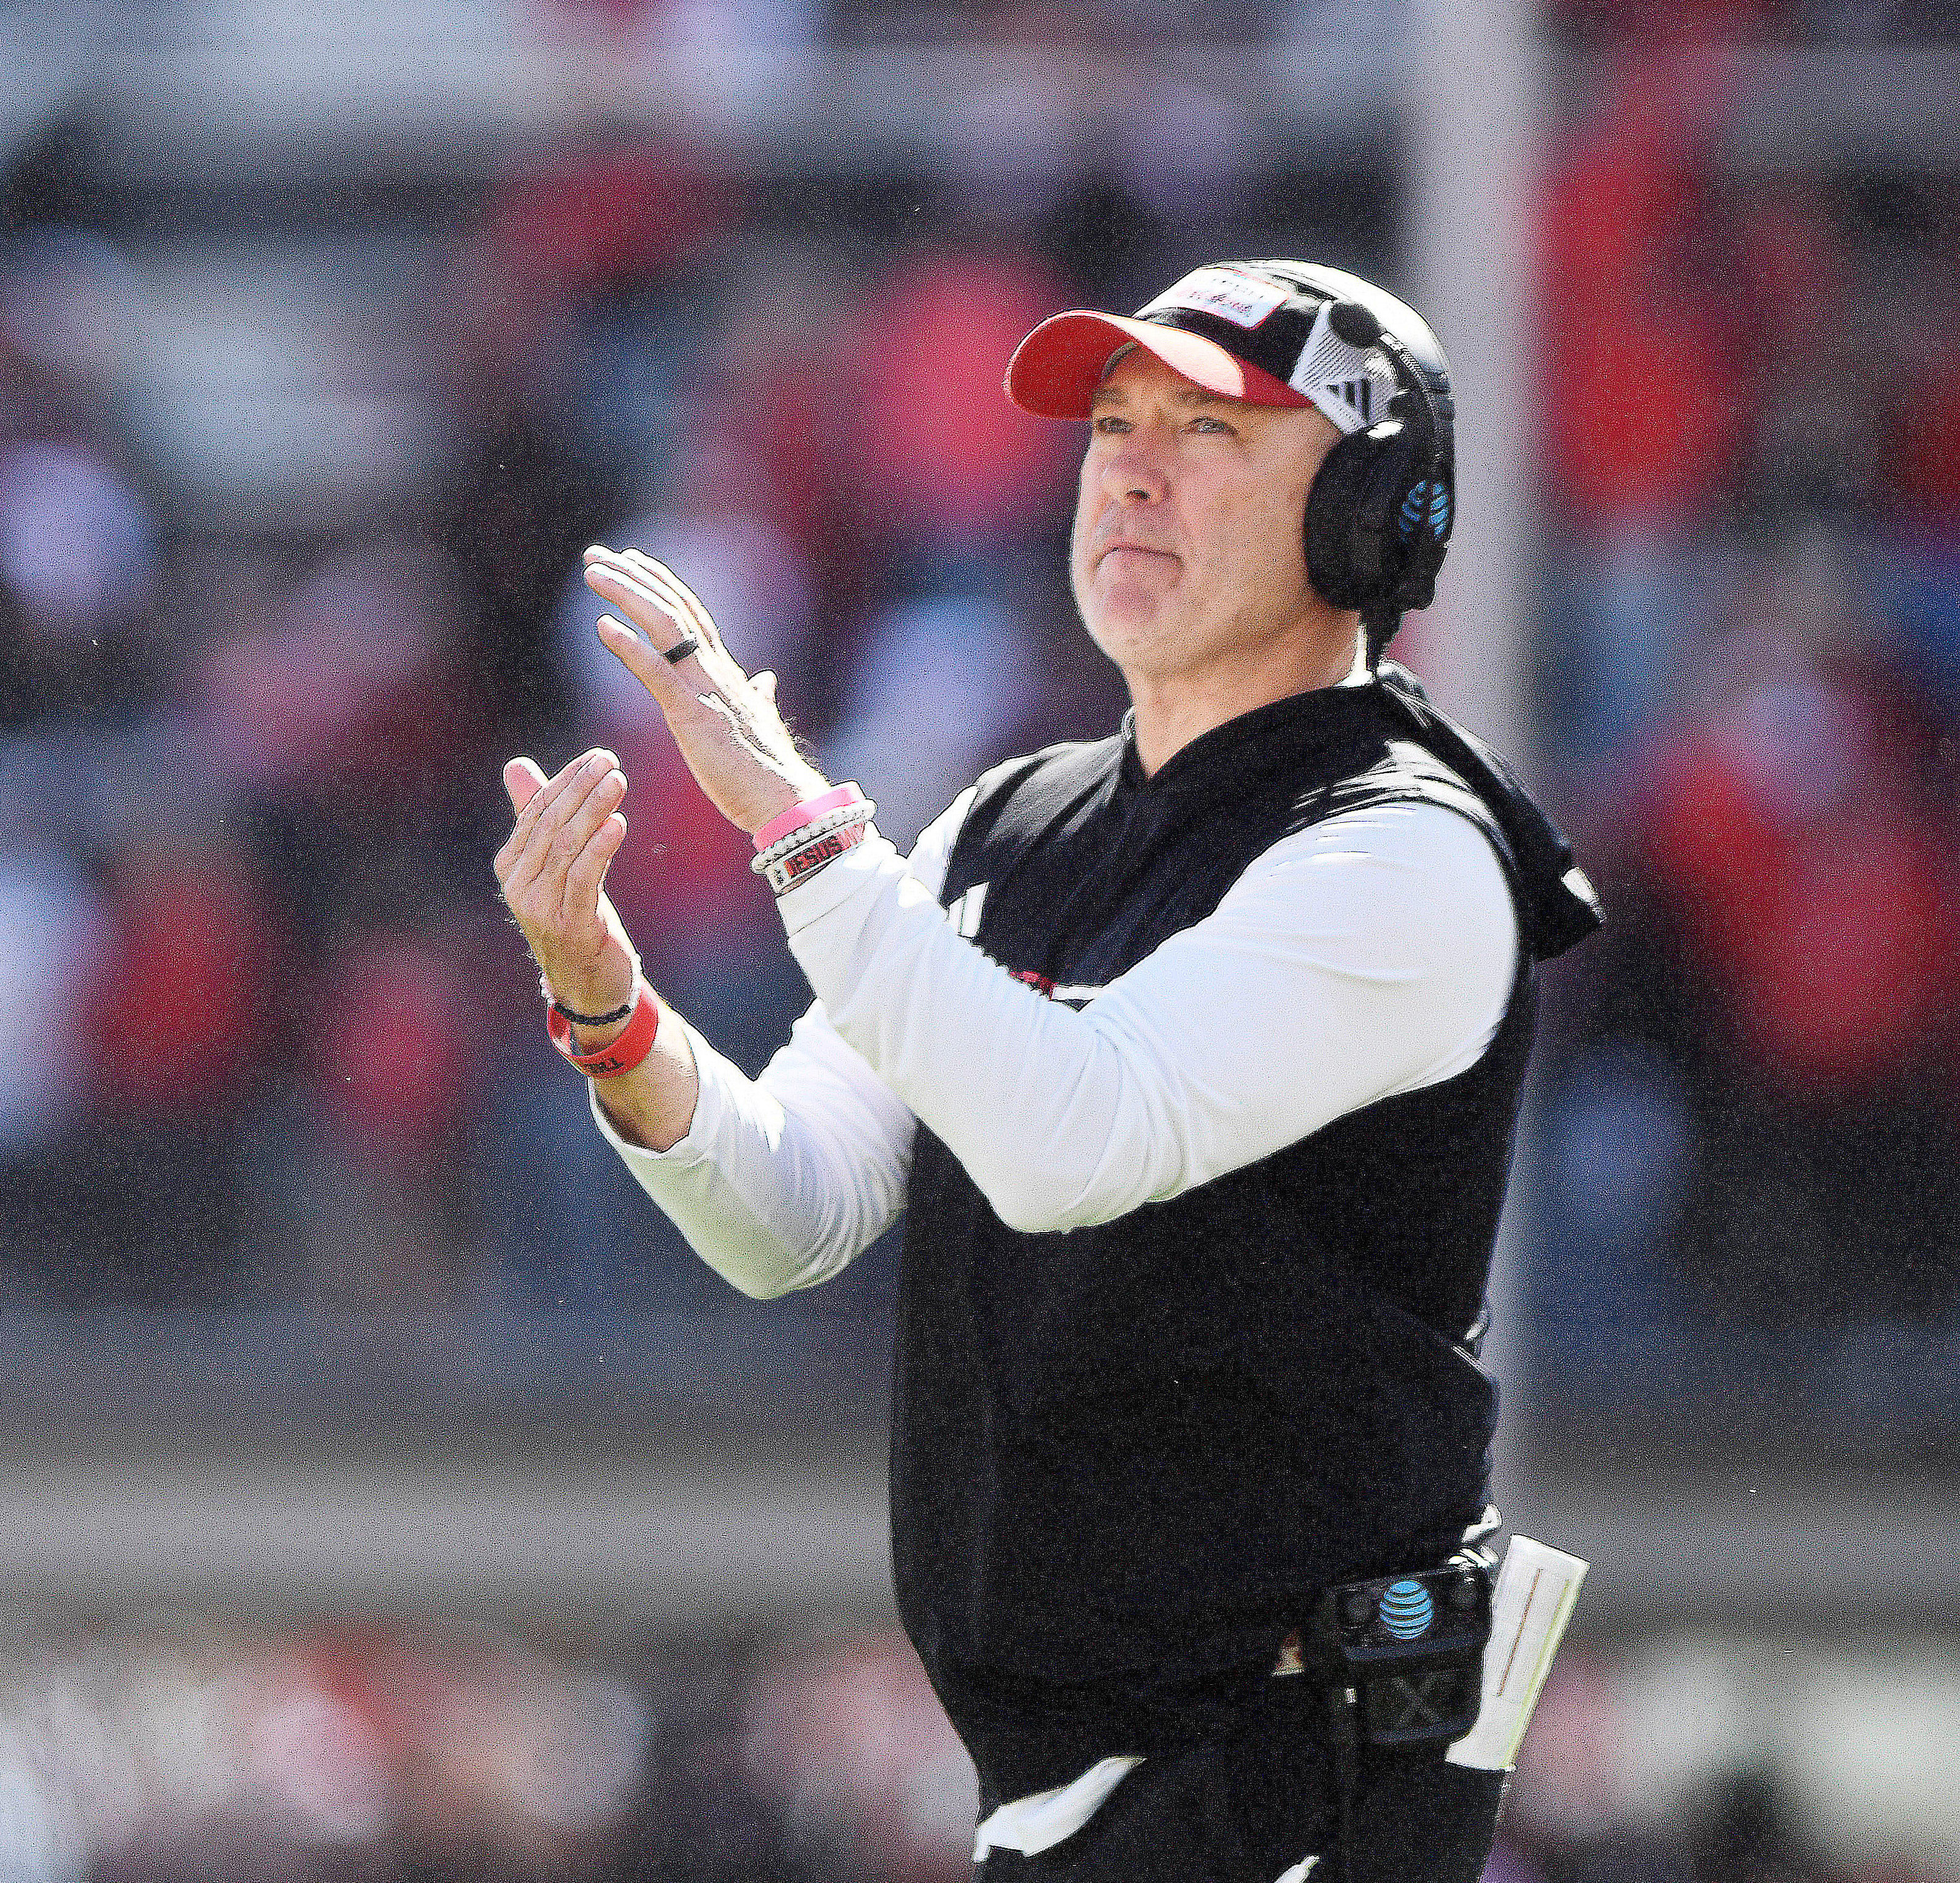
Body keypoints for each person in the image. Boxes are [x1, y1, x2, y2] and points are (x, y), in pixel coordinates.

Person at [492, 261, 1602, 1882]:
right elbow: (790, 1210)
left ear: (1369, 511)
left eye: (1208, 429)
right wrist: (610, 1010)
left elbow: (1070, 1143)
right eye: (1111, 423)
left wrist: (796, 822)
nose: (1132, 468)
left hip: (1312, 1759)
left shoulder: (1405, 850)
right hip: (1090, 1796)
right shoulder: (1009, 821)